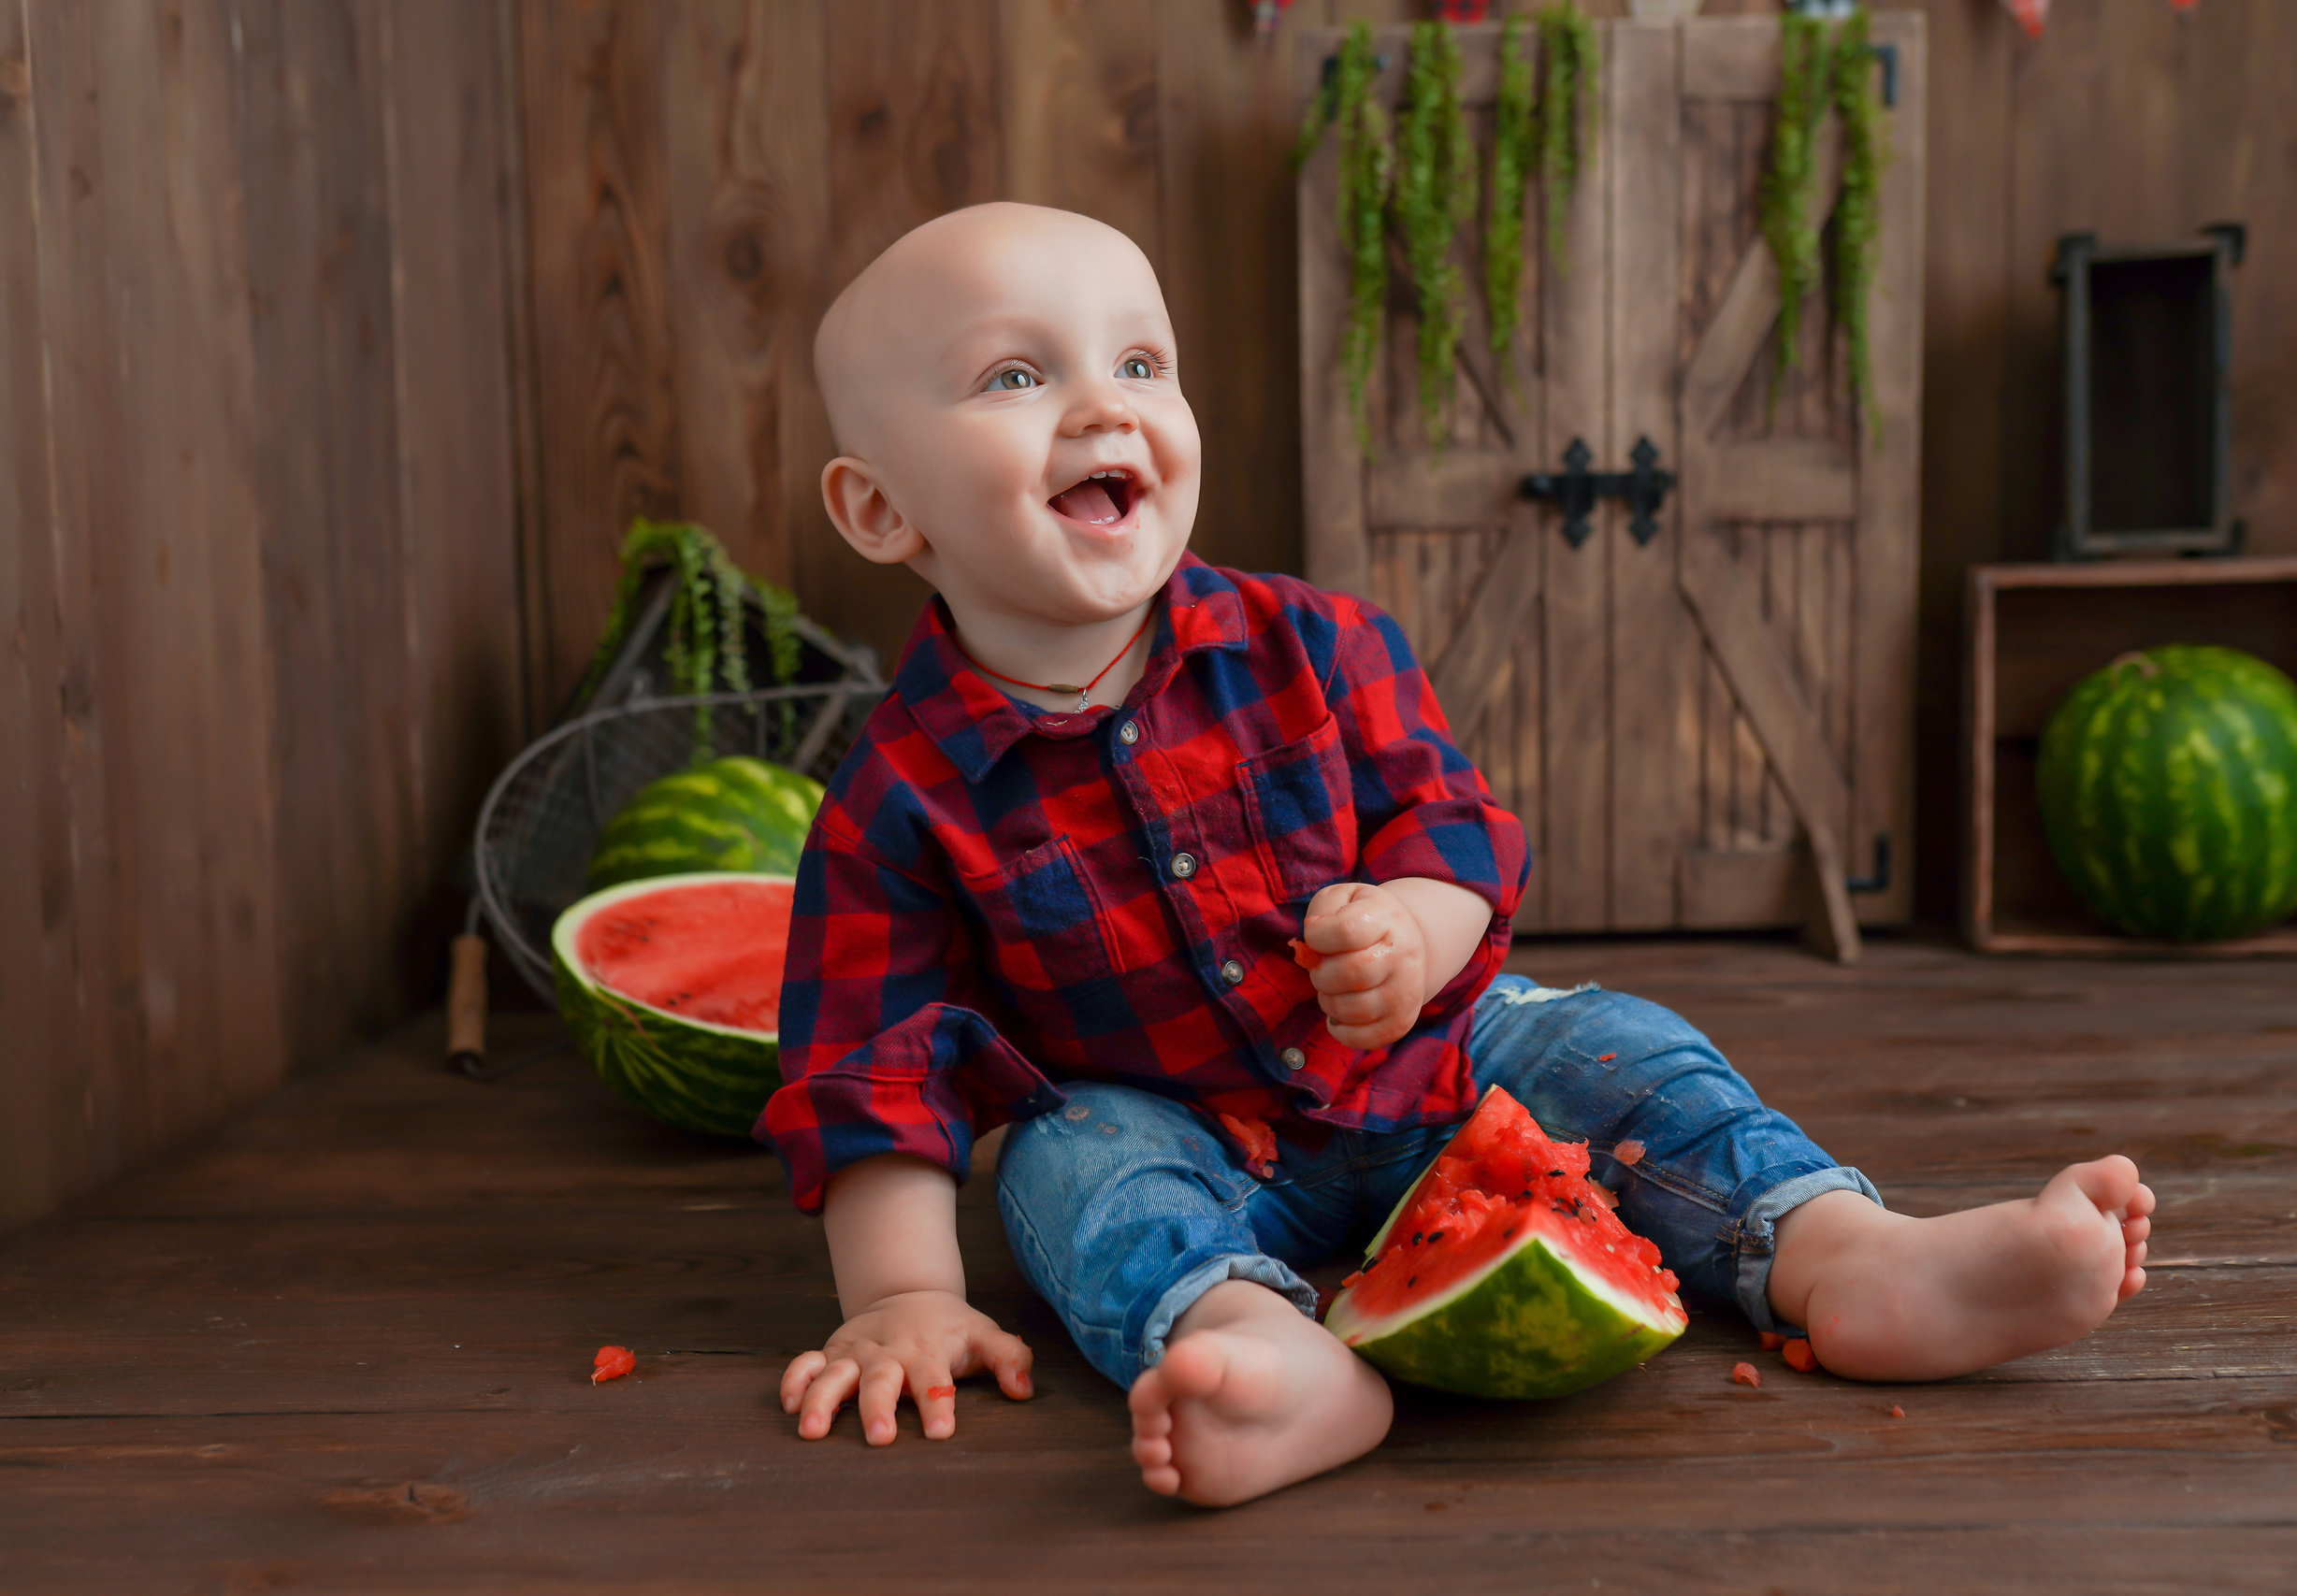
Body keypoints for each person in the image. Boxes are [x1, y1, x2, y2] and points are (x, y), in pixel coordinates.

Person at [758, 202, 2157, 1508]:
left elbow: (1454, 826)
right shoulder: (894, 799)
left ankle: (1848, 1256)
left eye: (1140, 363)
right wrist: (902, 1298)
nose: (1104, 406)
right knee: (1064, 1167)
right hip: (1185, 1133)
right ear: (880, 509)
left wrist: (1417, 932)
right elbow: (874, 1064)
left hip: (1438, 1056)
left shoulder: (1319, 643)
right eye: (1016, 377)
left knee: (1621, 1047)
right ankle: (1253, 1348)